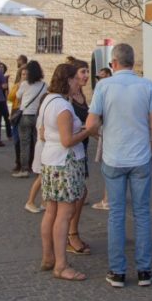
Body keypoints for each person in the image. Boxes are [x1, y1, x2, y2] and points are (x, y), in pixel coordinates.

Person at [83, 43, 152, 289]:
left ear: (113, 63)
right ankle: (144, 270)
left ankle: (117, 272)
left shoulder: (104, 86)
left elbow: (91, 123)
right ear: (133, 62)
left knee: (116, 215)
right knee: (142, 213)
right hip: (140, 157)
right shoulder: (147, 85)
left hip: (114, 157)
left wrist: (103, 135)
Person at [38, 63, 97, 282]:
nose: (79, 83)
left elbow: (44, 132)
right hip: (65, 163)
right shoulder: (63, 106)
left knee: (51, 211)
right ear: (69, 80)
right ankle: (61, 265)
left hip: (51, 160)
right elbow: (67, 141)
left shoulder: (48, 100)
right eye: (76, 79)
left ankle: (48, 257)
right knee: (64, 213)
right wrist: (87, 131)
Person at [64, 56, 93, 256]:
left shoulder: (82, 95)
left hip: (81, 150)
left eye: (87, 71)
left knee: (80, 193)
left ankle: (70, 232)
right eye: (83, 72)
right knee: (75, 195)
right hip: (69, 153)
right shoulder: (66, 99)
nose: (86, 76)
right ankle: (70, 234)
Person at [15, 62, 46, 180]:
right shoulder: (44, 85)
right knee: (38, 142)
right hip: (38, 116)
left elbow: (18, 96)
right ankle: (39, 167)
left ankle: (24, 169)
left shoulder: (24, 84)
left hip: (26, 115)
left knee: (24, 143)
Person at [91, 67, 112, 211]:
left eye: (103, 77)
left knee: (108, 168)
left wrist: (93, 132)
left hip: (108, 133)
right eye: (98, 78)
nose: (100, 80)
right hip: (108, 132)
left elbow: (93, 119)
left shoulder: (104, 91)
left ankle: (107, 199)